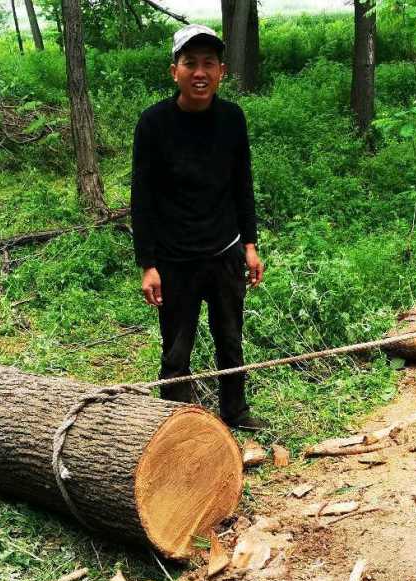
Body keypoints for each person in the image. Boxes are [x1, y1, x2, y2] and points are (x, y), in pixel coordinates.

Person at [132, 24, 268, 431]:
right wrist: (148, 264)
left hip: (225, 252)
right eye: (190, 63)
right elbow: (142, 199)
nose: (200, 72)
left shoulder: (231, 118)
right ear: (174, 70)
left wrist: (250, 244)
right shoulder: (153, 124)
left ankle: (236, 414)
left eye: (208, 63)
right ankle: (174, 424)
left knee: (230, 340)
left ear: (222, 71)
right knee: (176, 350)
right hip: (175, 260)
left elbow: (242, 183)